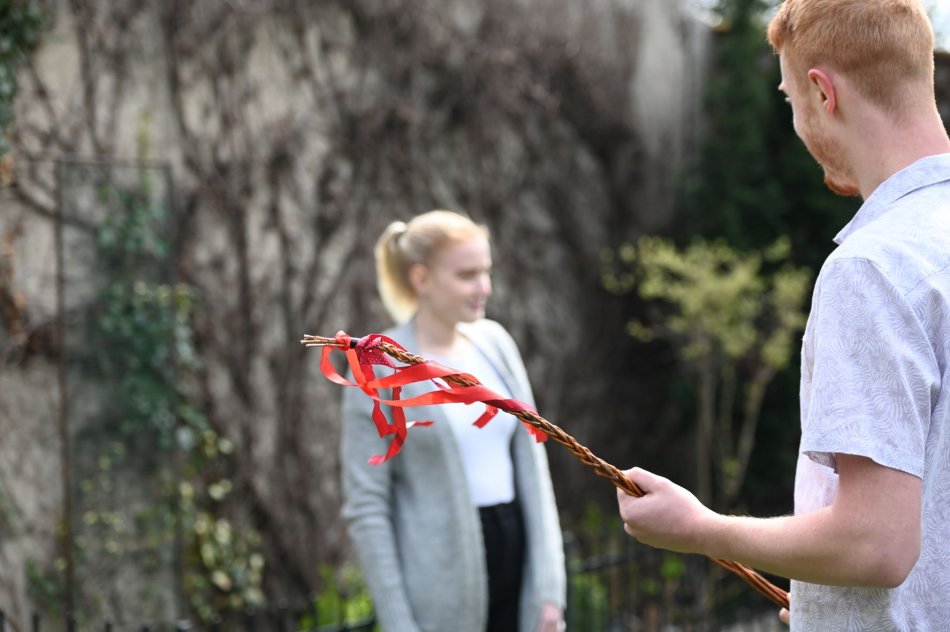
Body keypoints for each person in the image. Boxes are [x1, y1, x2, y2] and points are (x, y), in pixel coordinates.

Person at [616, 0, 950, 629]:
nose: (796, 121)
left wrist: (701, 529)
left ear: (823, 93)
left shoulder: (873, 267)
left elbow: (876, 545)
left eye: (791, 99)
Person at [340, 210, 566, 632]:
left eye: (486, 271)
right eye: (467, 275)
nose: (485, 287)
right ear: (421, 278)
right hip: (438, 596)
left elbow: (534, 469)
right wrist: (399, 624)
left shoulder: (496, 344)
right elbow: (368, 508)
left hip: (519, 572)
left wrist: (549, 590)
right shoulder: (379, 370)